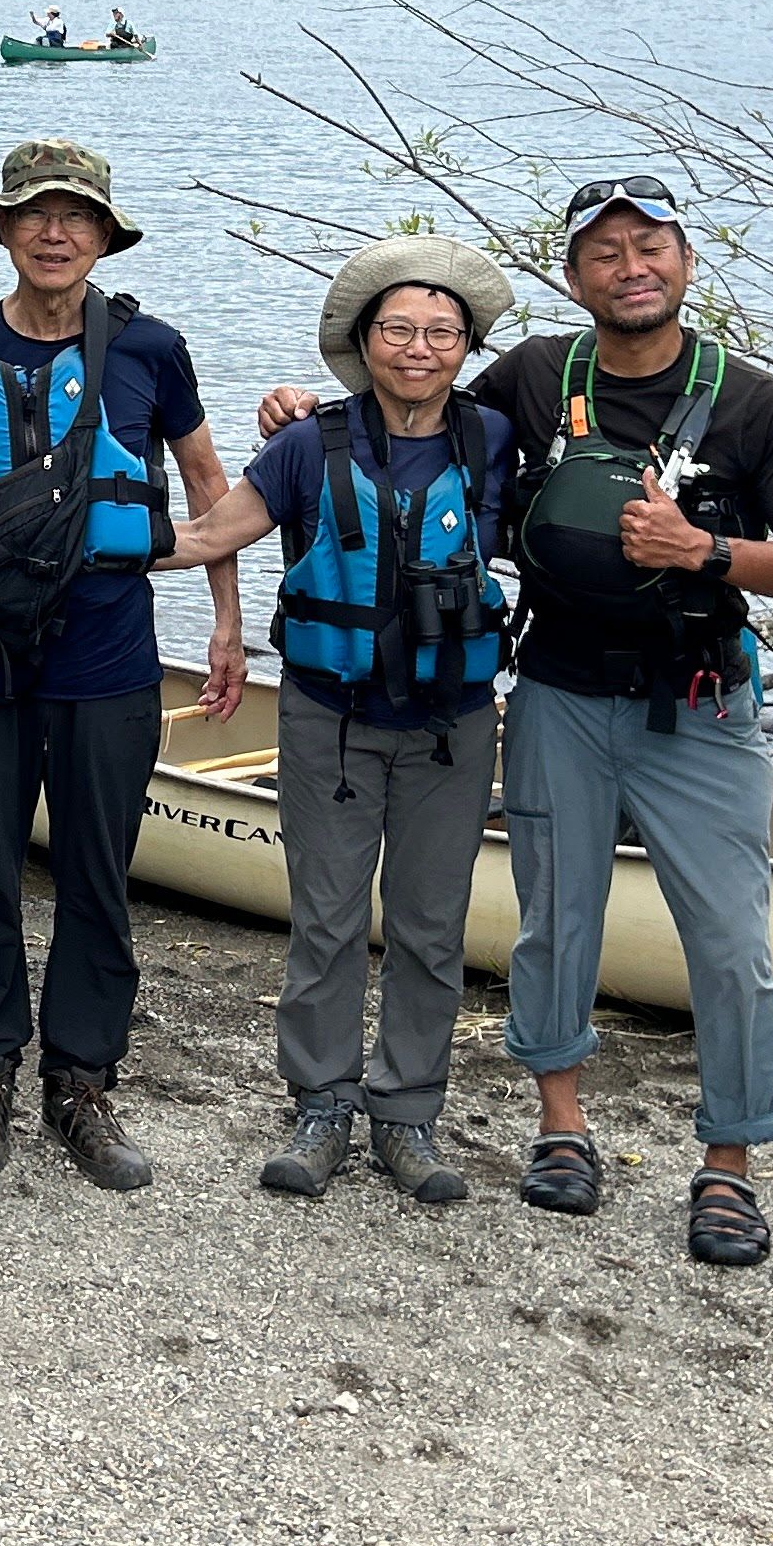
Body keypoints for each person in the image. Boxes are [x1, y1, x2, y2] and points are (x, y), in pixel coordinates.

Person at [460, 178, 773, 1264]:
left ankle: (729, 1160)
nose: (631, 267)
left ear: (684, 260)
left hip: (701, 706)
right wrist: (313, 411)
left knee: (731, 944)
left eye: (650, 247)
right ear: (574, 277)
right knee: (553, 922)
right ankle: (561, 1125)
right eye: (605, 253)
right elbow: (421, 423)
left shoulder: (754, 403)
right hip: (558, 698)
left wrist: (706, 552)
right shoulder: (534, 377)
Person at [0, 139, 244, 1191]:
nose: (54, 234)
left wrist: (226, 628)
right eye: (33, 216)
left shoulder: (150, 351)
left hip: (109, 658)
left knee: (97, 875)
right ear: (3, 231)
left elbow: (211, 493)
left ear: (102, 236)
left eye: (75, 218)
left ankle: (82, 1081)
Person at [162, 239, 517, 1205]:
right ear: (362, 342)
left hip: (451, 724)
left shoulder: (495, 445)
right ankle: (321, 1103)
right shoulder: (306, 445)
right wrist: (81, 537)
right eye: (398, 329)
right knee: (324, 920)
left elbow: (566, 545)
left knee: (431, 926)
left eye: (441, 332)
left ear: (465, 346)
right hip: (331, 717)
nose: (419, 347)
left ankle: (407, 1113)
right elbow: (207, 534)